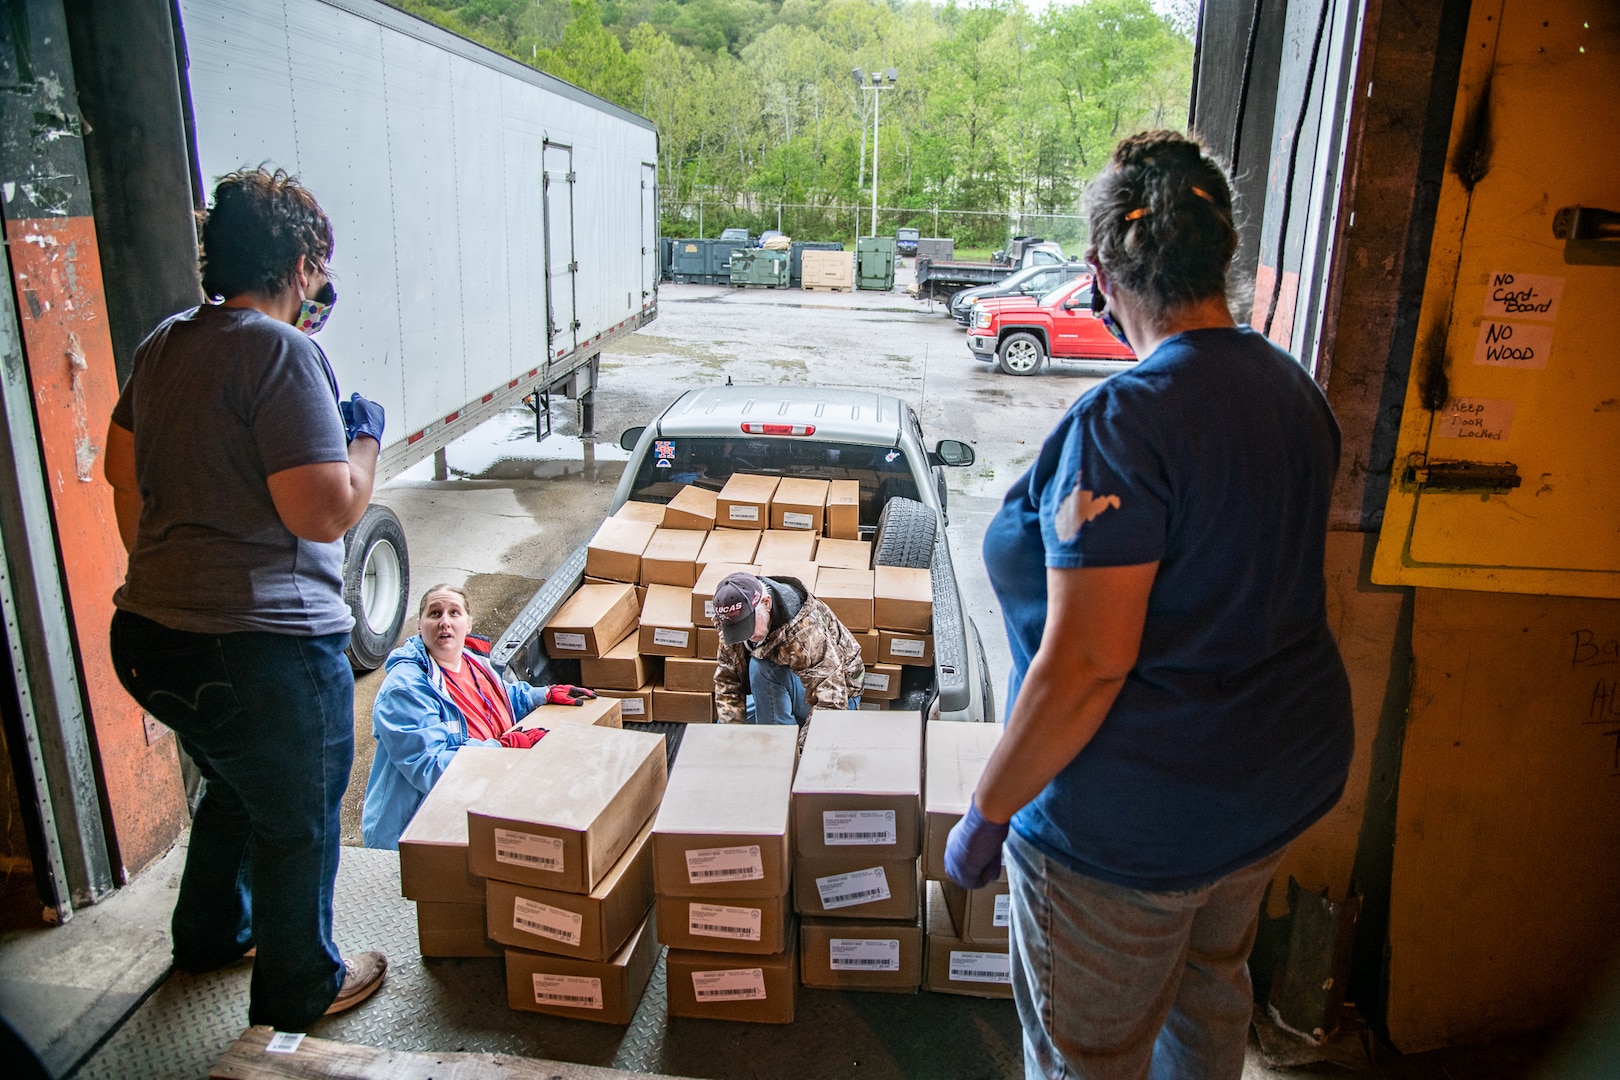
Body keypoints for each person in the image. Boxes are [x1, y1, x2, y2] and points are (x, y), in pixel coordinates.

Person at [946, 130, 1354, 1080]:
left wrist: (989, 812)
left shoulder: (1124, 424)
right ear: (1223, 257)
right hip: (1269, 790)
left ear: (1098, 274)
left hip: (1126, 831)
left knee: (1091, 1055)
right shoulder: (1294, 390)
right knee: (1208, 997)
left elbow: (1087, 666)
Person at [105, 167, 393, 1031]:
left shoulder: (166, 342)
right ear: (303, 266)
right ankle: (301, 983)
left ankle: (208, 933)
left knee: (234, 783)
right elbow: (324, 511)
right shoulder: (285, 351)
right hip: (264, 647)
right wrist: (364, 439)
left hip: (152, 635)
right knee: (299, 815)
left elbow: (122, 471)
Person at [362, 584, 597, 850]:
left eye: (454, 613)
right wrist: (500, 748)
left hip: (472, 804)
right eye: (434, 614)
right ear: (419, 626)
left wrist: (542, 695)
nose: (444, 622)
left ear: (468, 623)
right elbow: (429, 767)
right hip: (416, 834)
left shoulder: (473, 662)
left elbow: (501, 697)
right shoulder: (405, 689)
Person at [710, 571, 864, 729]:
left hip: (840, 697)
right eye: (739, 629)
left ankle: (778, 741)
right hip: (783, 689)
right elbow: (728, 681)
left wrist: (798, 749)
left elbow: (831, 700)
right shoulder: (733, 623)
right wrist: (730, 734)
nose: (747, 635)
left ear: (767, 603)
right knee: (724, 727)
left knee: (762, 667)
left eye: (749, 624)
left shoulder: (804, 630)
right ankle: (781, 729)